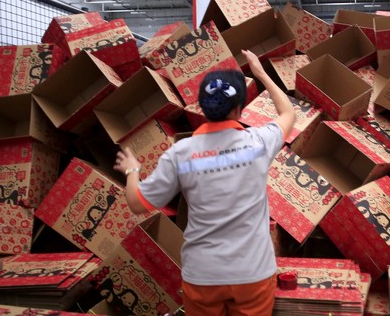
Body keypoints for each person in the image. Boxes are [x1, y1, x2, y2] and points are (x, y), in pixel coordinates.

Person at [114, 49, 295, 316]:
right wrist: (259, 73)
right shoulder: (258, 143)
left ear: (201, 107)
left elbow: (137, 203)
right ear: (239, 108)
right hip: (253, 273)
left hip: (202, 276)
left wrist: (132, 171)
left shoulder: (181, 153)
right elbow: (288, 112)